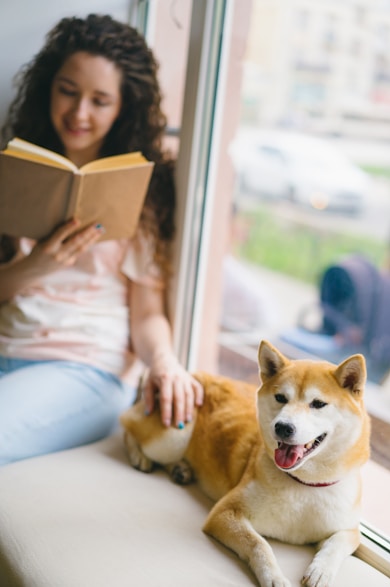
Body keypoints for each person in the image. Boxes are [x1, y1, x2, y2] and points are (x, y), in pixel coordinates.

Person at [0, 13, 203, 466]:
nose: (79, 113)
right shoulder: (16, 166)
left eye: (100, 100)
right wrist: (35, 267)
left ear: (123, 107)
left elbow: (147, 310)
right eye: (67, 91)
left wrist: (164, 362)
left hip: (84, 369)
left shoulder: (144, 191)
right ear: (47, 86)